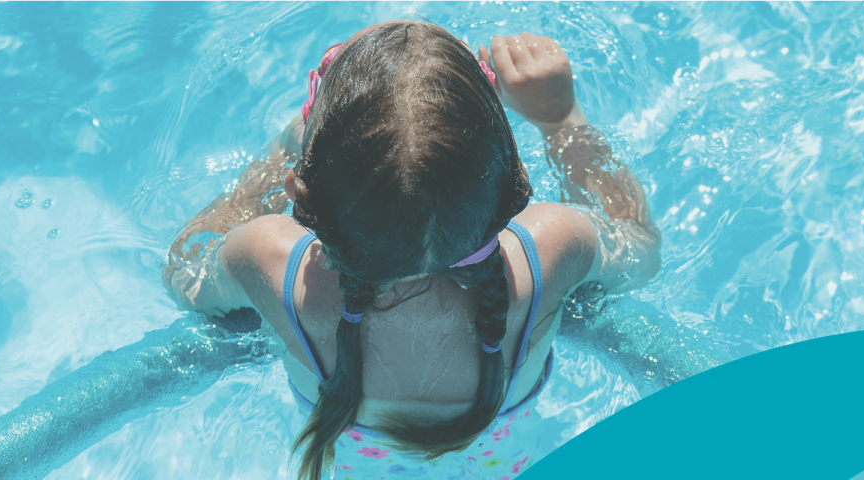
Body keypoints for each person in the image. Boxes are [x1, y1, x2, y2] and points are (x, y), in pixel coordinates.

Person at [163, 20, 659, 480]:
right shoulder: (549, 251)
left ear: (300, 191)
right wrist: (560, 119)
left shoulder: (273, 264)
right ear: (517, 182)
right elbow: (639, 250)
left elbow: (184, 274)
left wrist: (282, 152)